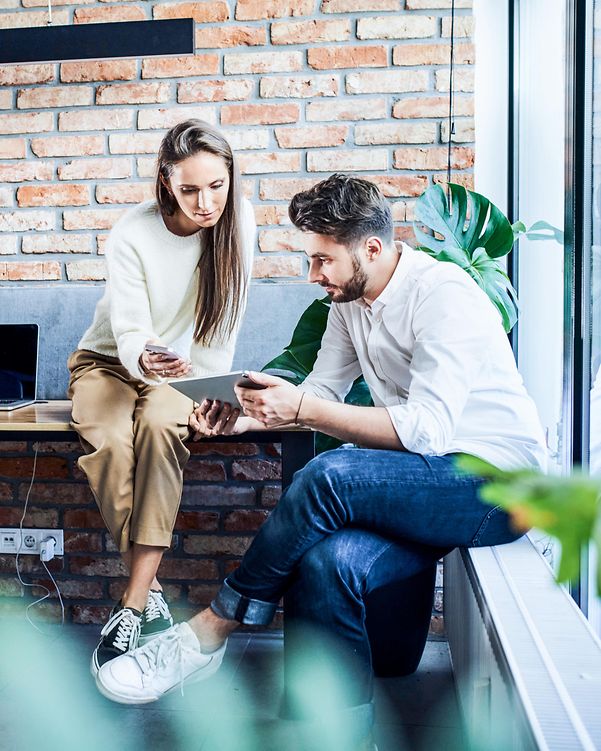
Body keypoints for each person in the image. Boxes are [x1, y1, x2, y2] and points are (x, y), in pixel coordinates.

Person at [94, 174, 547, 748]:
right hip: (428, 480)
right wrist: (246, 417)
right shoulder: (350, 302)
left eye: (322, 260)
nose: (314, 275)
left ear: (372, 249)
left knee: (330, 473)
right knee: (324, 562)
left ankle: (212, 627)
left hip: (498, 484)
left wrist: (301, 406)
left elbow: (425, 430)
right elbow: (322, 394)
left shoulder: (444, 295)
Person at [68, 119, 255, 676]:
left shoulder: (239, 222)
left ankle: (130, 604)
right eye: (191, 189)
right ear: (166, 183)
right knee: (107, 441)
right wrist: (144, 355)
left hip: (185, 373)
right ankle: (148, 595)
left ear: (230, 179)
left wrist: (210, 392)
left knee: (158, 430)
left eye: (216, 186)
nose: (206, 202)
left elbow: (224, 324)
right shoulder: (133, 231)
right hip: (110, 361)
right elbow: (128, 330)